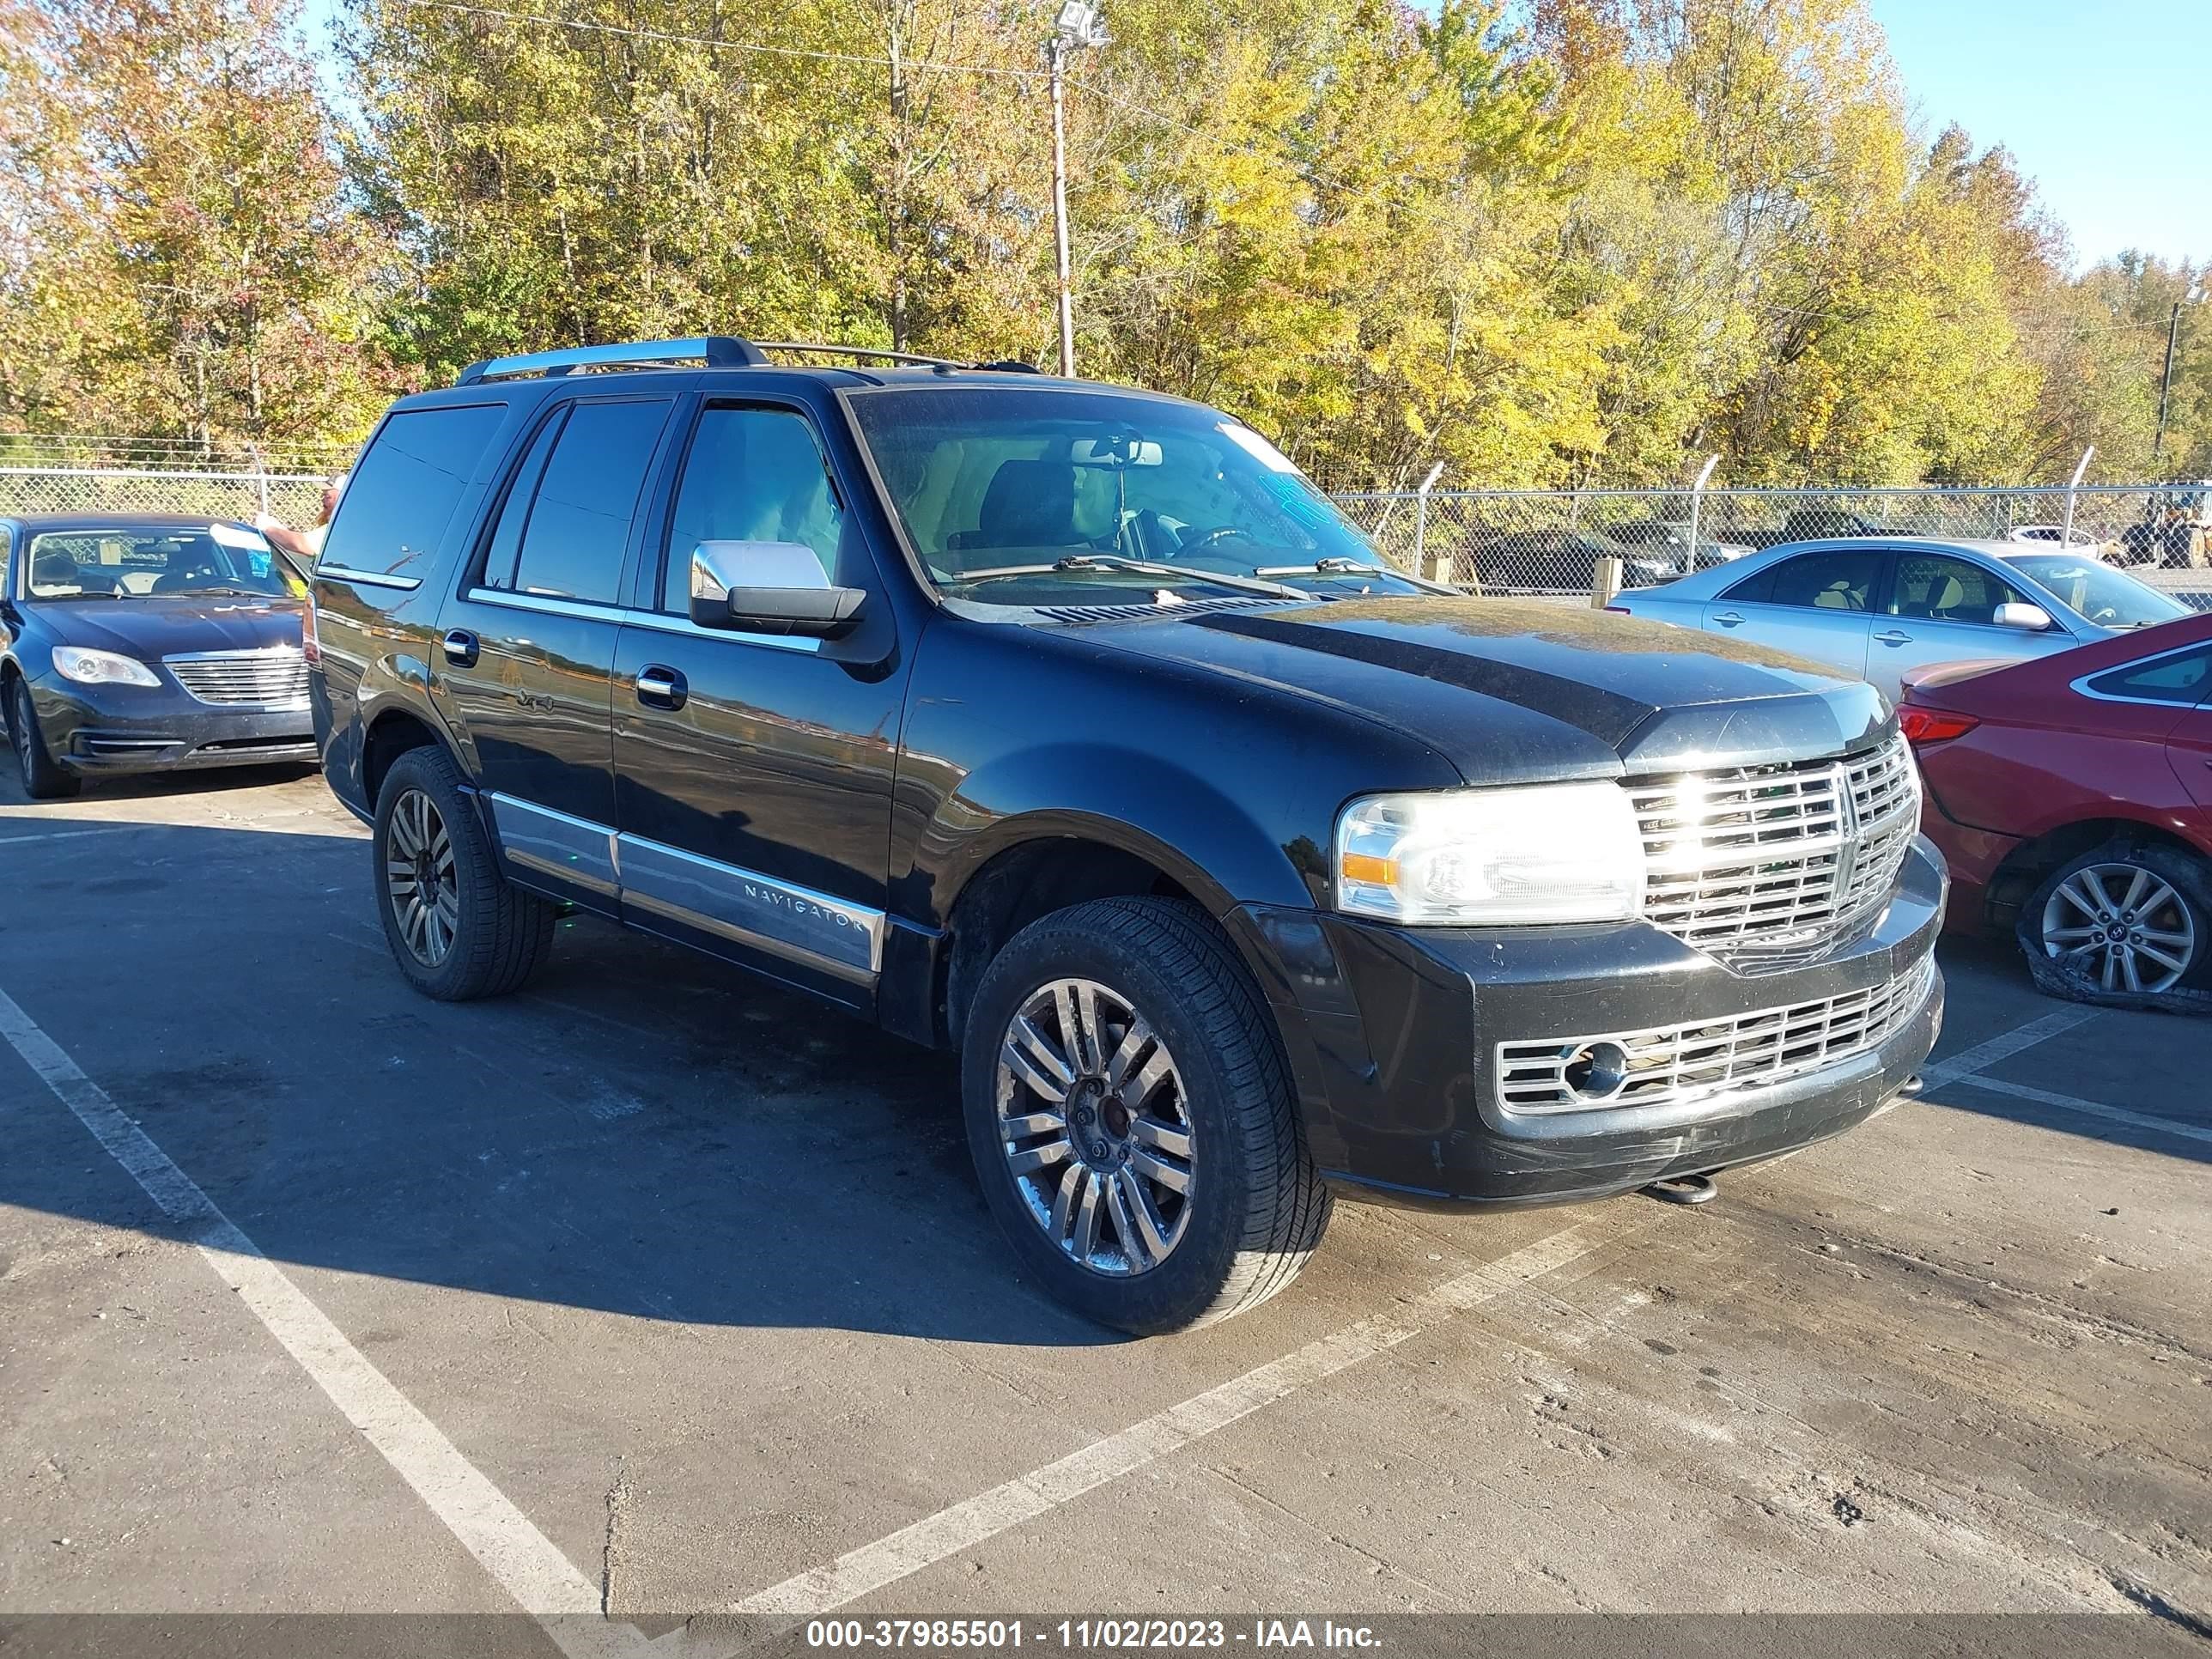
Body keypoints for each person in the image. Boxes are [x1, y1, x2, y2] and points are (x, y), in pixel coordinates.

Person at [257, 474, 344, 563]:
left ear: (343, 498)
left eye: (328, 496)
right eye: (323, 495)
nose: (323, 499)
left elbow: (301, 544)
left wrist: (267, 528)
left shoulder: (340, 527)